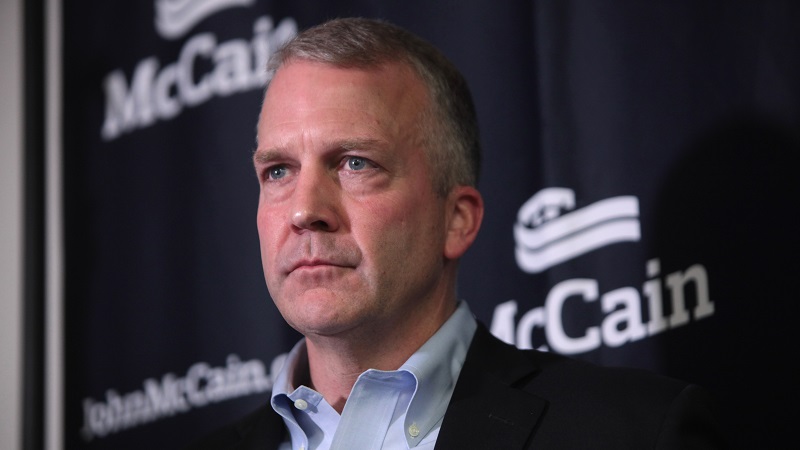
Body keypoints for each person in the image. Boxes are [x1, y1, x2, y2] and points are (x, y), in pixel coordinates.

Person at [187, 17, 724, 449]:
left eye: (355, 163)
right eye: (278, 171)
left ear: (457, 219)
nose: (305, 210)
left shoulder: (635, 433)